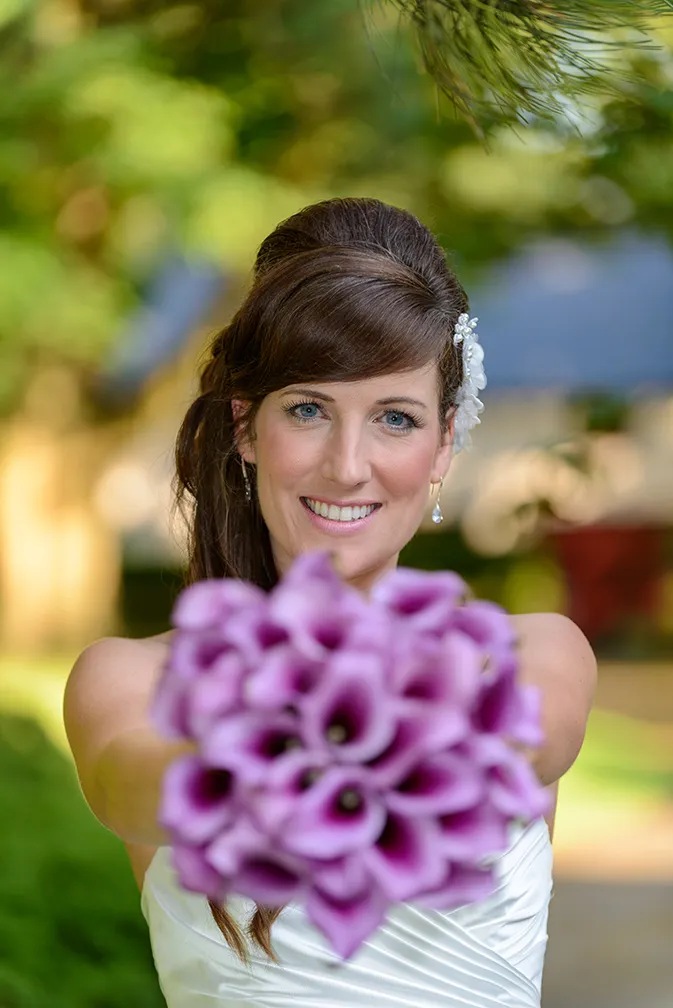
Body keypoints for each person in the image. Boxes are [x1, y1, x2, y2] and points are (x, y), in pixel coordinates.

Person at [64, 197, 596, 1007]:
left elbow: (514, 745)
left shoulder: (532, 654)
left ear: (443, 444)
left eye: (394, 418)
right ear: (245, 427)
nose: (347, 466)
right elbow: (130, 785)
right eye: (308, 409)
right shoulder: (128, 682)